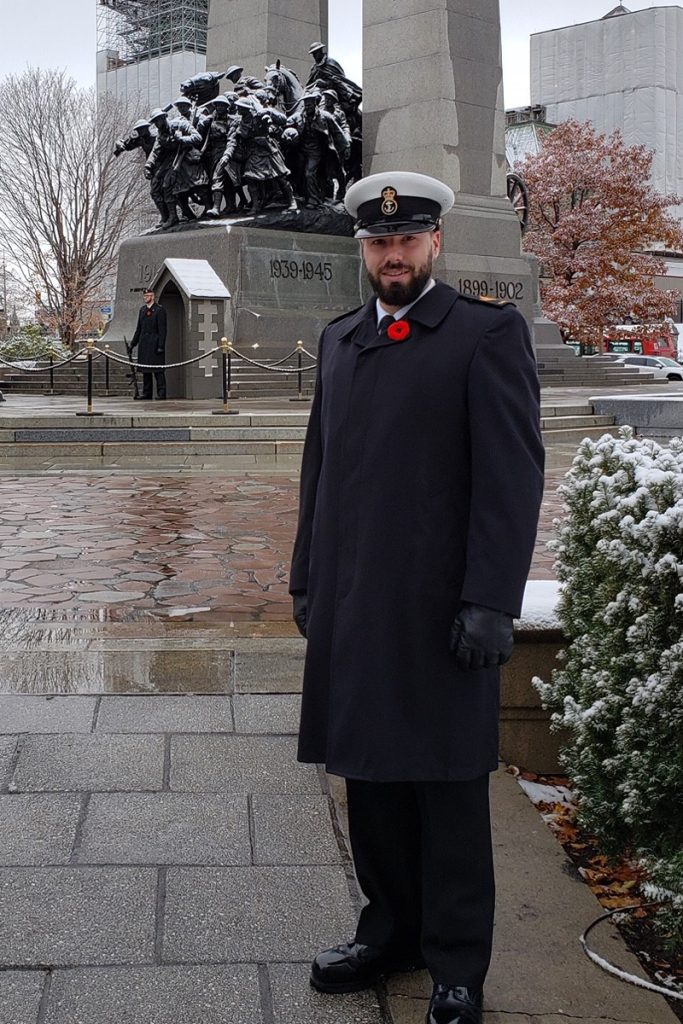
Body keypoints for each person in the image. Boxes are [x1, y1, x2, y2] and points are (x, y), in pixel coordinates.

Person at [289, 171, 545, 1024]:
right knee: (370, 779)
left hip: (442, 611)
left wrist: (491, 599)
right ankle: (388, 933)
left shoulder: (484, 334)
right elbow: (319, 470)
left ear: (434, 242)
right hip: (356, 602)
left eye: (405, 240)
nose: (391, 254)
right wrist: (306, 577)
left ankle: (457, 965)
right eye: (378, 243)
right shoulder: (340, 338)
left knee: (446, 789)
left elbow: (510, 478)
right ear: (363, 250)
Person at [130, 288, 167, 400]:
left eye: (147, 296)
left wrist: (161, 345)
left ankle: (162, 393)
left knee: (158, 370)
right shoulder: (142, 310)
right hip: (144, 344)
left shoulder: (159, 310)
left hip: (155, 344)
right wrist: (133, 344)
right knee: (146, 370)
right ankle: (147, 393)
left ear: (152, 296)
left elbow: (162, 330)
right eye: (144, 296)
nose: (145, 298)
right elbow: (139, 329)